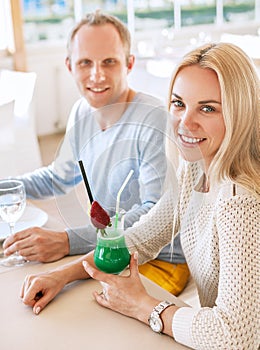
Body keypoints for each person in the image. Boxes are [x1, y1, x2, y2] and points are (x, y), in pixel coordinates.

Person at [20, 42, 260, 349]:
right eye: (178, 103)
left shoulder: (239, 201)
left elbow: (234, 338)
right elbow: (145, 236)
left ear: (241, 111)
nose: (185, 123)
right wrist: (63, 275)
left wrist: (143, 305)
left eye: (208, 108)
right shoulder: (197, 168)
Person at [3, 11, 189, 295]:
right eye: (85, 62)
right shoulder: (81, 111)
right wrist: (7, 187)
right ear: (69, 66)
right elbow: (59, 177)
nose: (97, 75)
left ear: (129, 64)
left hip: (159, 259)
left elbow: (153, 216)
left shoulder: (152, 120)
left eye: (109, 62)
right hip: (110, 251)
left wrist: (67, 241)